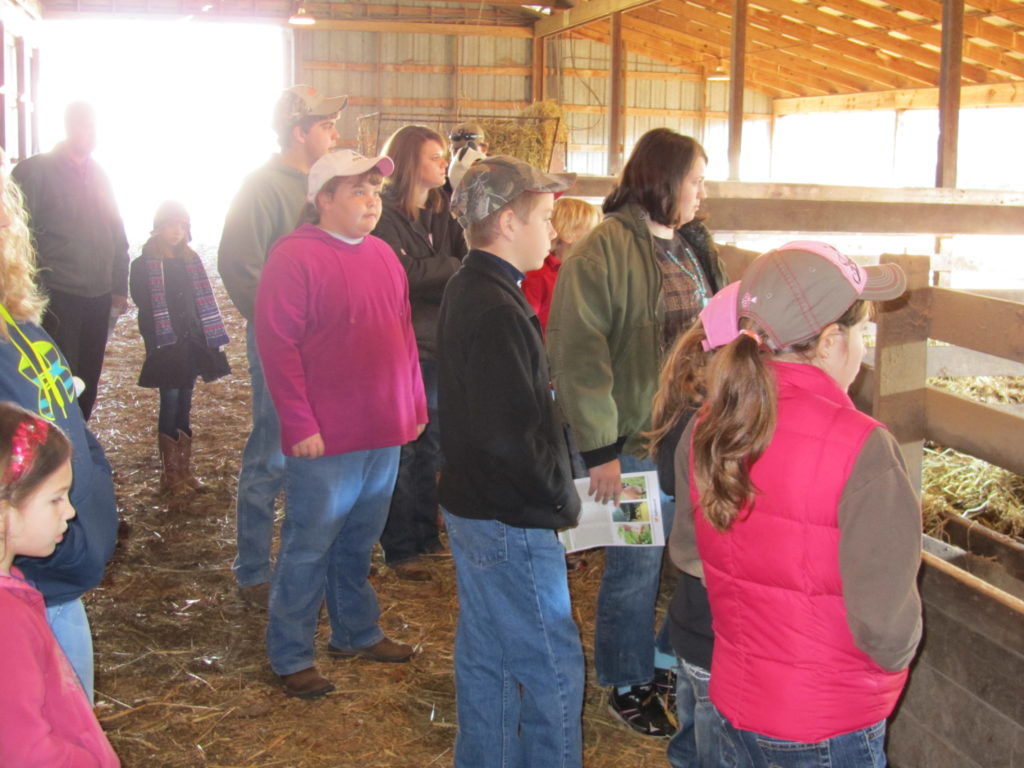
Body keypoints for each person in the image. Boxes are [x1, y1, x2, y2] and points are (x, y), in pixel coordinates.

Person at [656, 241, 921, 768]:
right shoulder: (863, 447)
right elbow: (887, 630)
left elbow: (691, 554)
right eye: (861, 334)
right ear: (828, 342)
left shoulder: (710, 424)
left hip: (734, 701)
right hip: (827, 720)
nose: (863, 350)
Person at [546, 128, 726, 736]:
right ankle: (625, 680)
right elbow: (579, 355)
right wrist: (600, 450)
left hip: (693, 432)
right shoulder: (600, 253)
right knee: (637, 561)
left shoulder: (692, 244)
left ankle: (667, 659)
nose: (703, 194)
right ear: (664, 179)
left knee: (693, 553)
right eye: (696, 181)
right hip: (632, 443)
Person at [255, 149, 426, 699]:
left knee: (360, 538)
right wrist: (298, 422)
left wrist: (414, 407)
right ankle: (290, 652)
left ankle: (355, 630)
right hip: (326, 436)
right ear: (322, 198)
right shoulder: (294, 257)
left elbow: (403, 336)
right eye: (357, 191)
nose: (371, 201)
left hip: (383, 427)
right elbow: (276, 346)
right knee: (309, 543)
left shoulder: (384, 256)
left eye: (375, 191)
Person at [439, 155, 583, 768]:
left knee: (490, 654)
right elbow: (509, 436)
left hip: (475, 506)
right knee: (552, 667)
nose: (552, 233)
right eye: (545, 218)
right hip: (511, 518)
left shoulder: (474, 285)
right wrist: (559, 495)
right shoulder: (497, 308)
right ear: (505, 223)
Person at [218, 85, 347, 609]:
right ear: (299, 132)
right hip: (283, 339)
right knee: (273, 448)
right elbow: (237, 262)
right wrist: (278, 325)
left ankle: (305, 560)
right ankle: (252, 566)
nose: (335, 134)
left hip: (327, 340)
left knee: (317, 450)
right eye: (326, 127)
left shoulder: (331, 187)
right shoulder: (263, 187)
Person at [0, 153, 119, 704]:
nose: (6, 220)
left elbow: (67, 418)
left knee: (76, 730)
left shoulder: (19, 325)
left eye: (4, 205)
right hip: (25, 592)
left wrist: (95, 479)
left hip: (60, 582)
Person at [0, 403, 120, 766]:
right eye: (56, 498)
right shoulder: (7, 621)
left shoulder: (15, 588)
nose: (69, 511)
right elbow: (27, 752)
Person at [373, 125, 467, 582]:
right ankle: (399, 545)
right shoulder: (386, 215)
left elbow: (460, 259)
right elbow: (399, 272)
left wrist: (442, 267)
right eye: (434, 157)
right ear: (412, 162)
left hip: (437, 340)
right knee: (405, 447)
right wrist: (448, 267)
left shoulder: (441, 211)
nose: (442, 164)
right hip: (404, 344)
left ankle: (426, 536)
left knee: (432, 445)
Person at [12, 101, 130, 421]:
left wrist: (120, 283)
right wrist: (29, 291)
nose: (90, 134)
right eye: (84, 126)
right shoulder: (35, 172)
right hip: (58, 292)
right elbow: (18, 234)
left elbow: (116, 230)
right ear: (69, 127)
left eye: (94, 128)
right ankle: (59, 444)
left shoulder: (99, 175)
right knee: (58, 373)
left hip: (97, 293)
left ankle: (80, 438)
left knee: (88, 376)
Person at [129, 201, 230, 494]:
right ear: (159, 227)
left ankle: (185, 471)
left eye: (182, 226)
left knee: (185, 401)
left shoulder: (191, 261)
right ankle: (169, 474)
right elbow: (144, 305)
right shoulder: (144, 265)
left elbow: (198, 303)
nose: (177, 231)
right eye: (172, 225)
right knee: (170, 401)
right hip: (166, 344)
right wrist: (160, 336)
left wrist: (202, 333)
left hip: (190, 343)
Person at [521, 196, 600, 334]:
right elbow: (526, 324)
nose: (598, 238)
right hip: (548, 350)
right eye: (592, 231)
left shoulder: (583, 271)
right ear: (568, 234)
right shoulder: (539, 275)